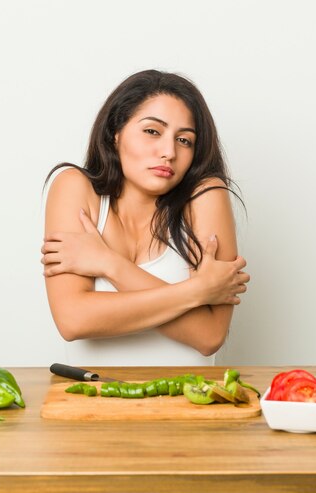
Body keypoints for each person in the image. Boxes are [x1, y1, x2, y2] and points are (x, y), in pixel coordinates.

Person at [41, 69, 249, 366]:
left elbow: (209, 335)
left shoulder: (206, 195)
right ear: (116, 133)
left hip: (190, 403)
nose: (168, 152)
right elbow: (73, 320)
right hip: (88, 401)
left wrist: (108, 263)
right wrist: (197, 291)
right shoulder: (74, 187)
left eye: (184, 140)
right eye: (152, 131)